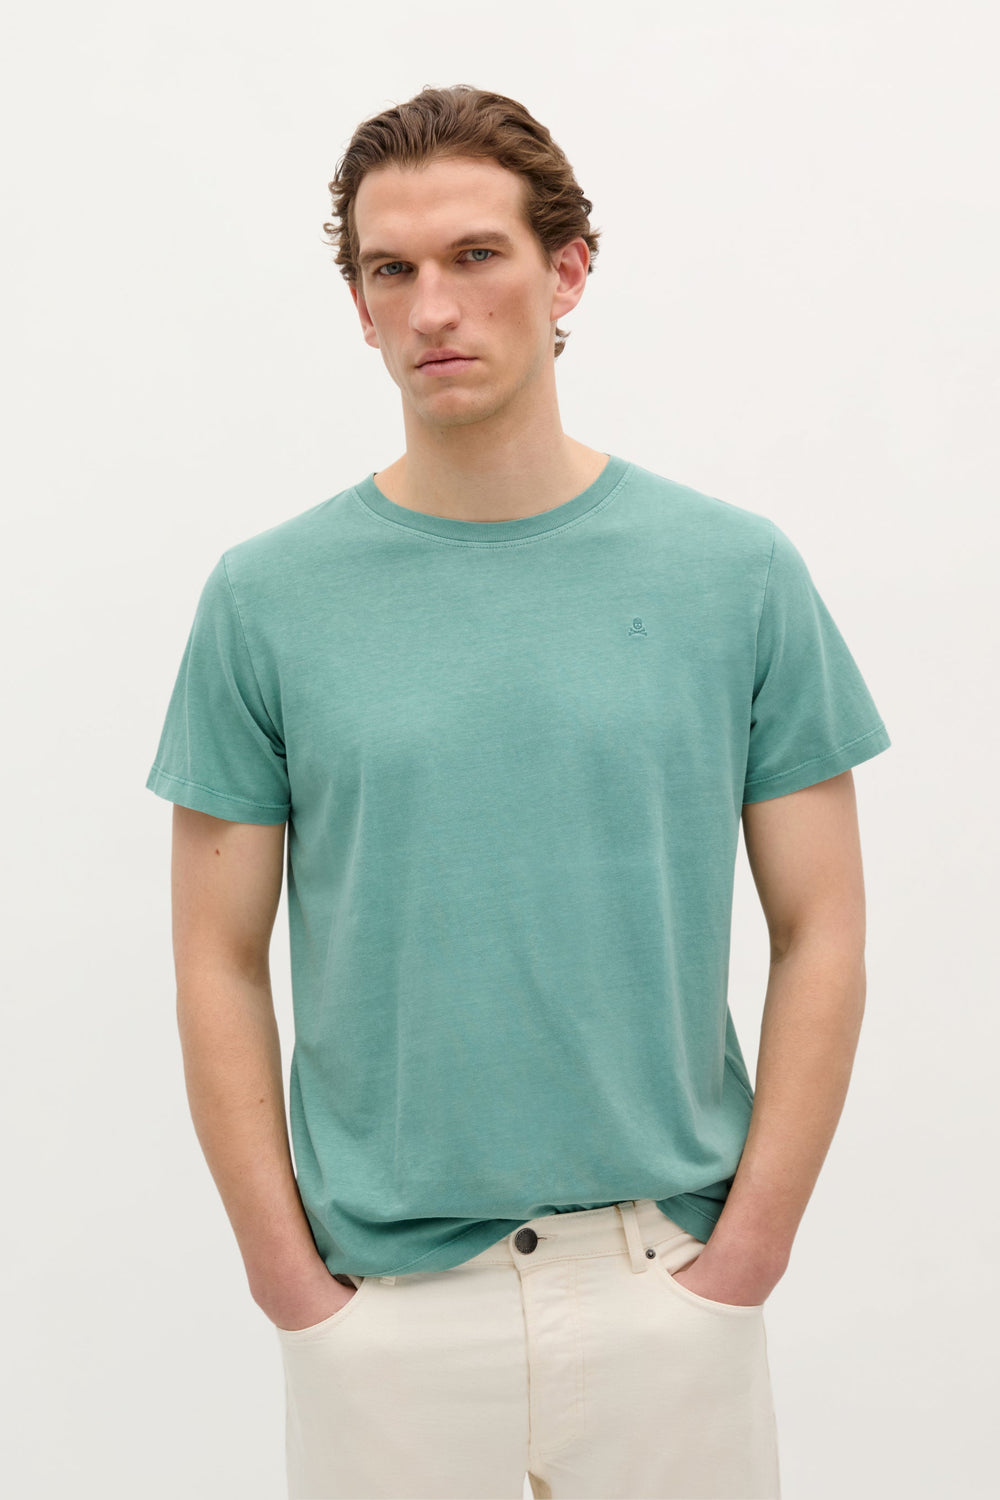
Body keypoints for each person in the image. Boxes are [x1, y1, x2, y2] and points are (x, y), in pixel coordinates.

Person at [145, 84, 891, 1500]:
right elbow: (214, 960)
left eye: (476, 255)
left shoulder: (735, 574)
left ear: (568, 273)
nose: (433, 306)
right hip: (385, 1315)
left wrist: (747, 1256)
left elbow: (825, 928)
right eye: (392, 269)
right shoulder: (266, 600)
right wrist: (291, 1287)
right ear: (359, 305)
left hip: (665, 1281)